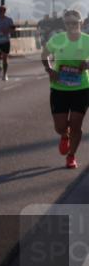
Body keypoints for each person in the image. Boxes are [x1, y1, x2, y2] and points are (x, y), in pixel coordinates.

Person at [41, 9, 89, 170]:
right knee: (60, 127)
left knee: (76, 125)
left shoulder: (87, 40)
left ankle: (71, 156)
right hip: (59, 88)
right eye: (68, 23)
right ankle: (64, 135)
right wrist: (49, 70)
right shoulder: (58, 39)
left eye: (74, 23)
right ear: (64, 24)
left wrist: (88, 64)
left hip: (81, 88)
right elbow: (44, 54)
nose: (71, 26)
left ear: (80, 23)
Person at [0, 5, 17, 80]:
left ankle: (5, 74)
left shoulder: (9, 20)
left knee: (5, 59)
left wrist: (7, 31)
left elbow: (13, 29)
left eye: (1, 11)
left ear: (4, 11)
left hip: (5, 41)